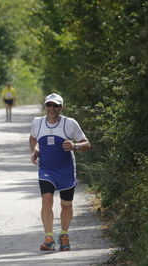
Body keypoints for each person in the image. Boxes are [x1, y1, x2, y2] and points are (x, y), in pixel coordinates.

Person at [29, 93, 91, 251]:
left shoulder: (70, 124)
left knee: (66, 205)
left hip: (66, 170)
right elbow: (33, 138)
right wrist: (35, 151)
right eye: (49, 105)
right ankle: (48, 237)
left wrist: (75, 146)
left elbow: (87, 143)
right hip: (46, 169)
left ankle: (64, 235)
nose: (52, 108)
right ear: (45, 106)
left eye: (55, 106)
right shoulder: (38, 122)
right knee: (47, 198)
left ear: (61, 108)